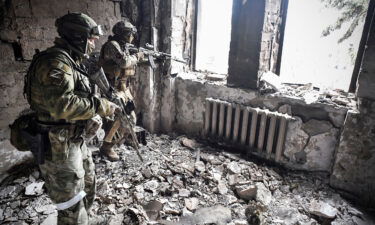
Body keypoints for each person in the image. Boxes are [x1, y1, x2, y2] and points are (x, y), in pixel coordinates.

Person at [24, 12, 119, 225]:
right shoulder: (55, 63)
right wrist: (100, 106)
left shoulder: (71, 60)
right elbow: (62, 105)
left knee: (88, 187)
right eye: (92, 40)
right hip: (58, 147)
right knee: (71, 208)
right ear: (79, 37)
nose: (94, 45)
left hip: (74, 140)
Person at [98, 20, 143, 161]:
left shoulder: (123, 46)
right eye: (130, 34)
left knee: (130, 117)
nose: (132, 37)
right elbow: (123, 62)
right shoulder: (112, 45)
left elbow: (128, 62)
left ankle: (124, 138)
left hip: (123, 88)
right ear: (124, 34)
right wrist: (137, 57)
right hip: (111, 88)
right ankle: (107, 147)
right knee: (122, 118)